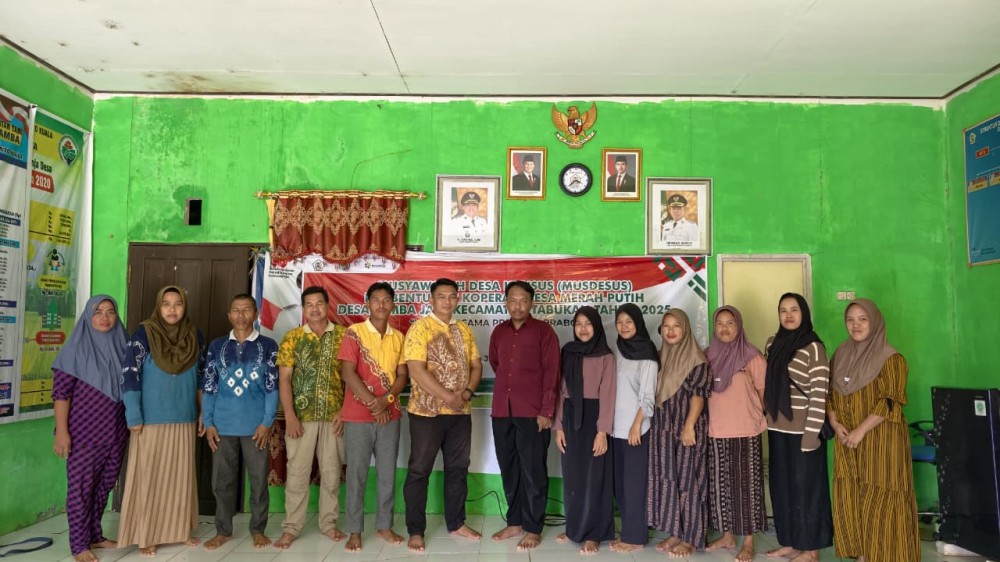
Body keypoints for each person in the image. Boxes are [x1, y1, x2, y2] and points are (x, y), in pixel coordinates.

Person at [828, 298, 920, 562]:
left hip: (881, 441)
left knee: (880, 496)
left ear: (875, 321)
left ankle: (884, 555)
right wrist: (834, 422)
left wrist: (860, 431)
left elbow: (890, 401)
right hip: (847, 441)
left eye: (862, 319)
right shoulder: (840, 354)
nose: (855, 325)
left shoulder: (891, 358)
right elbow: (829, 393)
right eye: (850, 320)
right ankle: (862, 554)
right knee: (851, 495)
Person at [118, 286, 202, 556]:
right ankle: (147, 534)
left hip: (184, 416)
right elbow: (129, 374)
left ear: (184, 306)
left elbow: (201, 378)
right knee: (150, 477)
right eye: (166, 303)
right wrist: (133, 414)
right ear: (159, 306)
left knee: (180, 477)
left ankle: (180, 530)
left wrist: (204, 412)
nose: (172, 309)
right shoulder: (144, 334)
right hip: (151, 418)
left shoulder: (194, 334)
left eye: (178, 304)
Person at [402, 278, 483, 552]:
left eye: (452, 296)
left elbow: (476, 366)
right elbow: (416, 369)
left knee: (458, 469)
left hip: (460, 413)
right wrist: (449, 397)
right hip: (427, 414)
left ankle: (457, 523)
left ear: (458, 299)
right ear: (431, 300)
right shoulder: (420, 328)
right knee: (419, 471)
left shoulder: (464, 329)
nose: (447, 301)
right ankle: (416, 530)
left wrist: (467, 393)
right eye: (441, 296)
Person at [51, 295, 129, 562]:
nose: (105, 317)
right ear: (88, 316)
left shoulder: (124, 346)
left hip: (116, 432)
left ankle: (95, 535)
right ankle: (79, 545)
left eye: (110, 312)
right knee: (81, 489)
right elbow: (61, 395)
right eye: (98, 312)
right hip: (84, 433)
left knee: (104, 486)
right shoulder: (74, 349)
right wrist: (62, 432)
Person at [201, 294, 279, 551]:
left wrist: (266, 422)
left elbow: (272, 388)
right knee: (221, 482)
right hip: (222, 427)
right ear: (229, 315)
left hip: (256, 428)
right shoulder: (217, 346)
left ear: (256, 314)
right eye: (236, 310)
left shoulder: (268, 346)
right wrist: (209, 423)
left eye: (247, 309)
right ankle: (223, 531)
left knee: (258, 481)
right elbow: (210, 386)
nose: (241, 315)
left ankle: (258, 530)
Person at [488, 281, 560, 552]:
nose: (517, 305)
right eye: (513, 300)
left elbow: (552, 372)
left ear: (531, 303)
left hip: (532, 413)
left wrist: (546, 411)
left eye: (523, 300)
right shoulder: (499, 332)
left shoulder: (544, 332)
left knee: (533, 472)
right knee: (509, 469)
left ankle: (533, 527)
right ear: (506, 302)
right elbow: (496, 363)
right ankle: (515, 522)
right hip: (502, 411)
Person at [273, 286, 347, 549]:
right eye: (309, 304)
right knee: (297, 474)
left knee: (331, 473)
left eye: (319, 303)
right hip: (300, 419)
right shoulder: (293, 338)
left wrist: (345, 412)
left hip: (334, 417)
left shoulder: (344, 336)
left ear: (328, 306)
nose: (315, 309)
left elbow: (351, 377)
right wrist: (290, 416)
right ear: (304, 309)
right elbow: (284, 379)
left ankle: (329, 523)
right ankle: (291, 527)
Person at [339, 282, 409, 552]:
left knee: (387, 473)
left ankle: (384, 526)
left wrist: (386, 401)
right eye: (376, 299)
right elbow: (348, 373)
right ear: (367, 303)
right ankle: (354, 531)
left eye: (386, 300)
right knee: (356, 474)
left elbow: (402, 376)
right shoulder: (354, 333)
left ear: (393, 304)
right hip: (358, 416)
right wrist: (374, 404)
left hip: (390, 415)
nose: (381, 304)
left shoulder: (399, 337)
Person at [763, 293, 833, 562]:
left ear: (804, 313)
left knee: (808, 491)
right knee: (782, 489)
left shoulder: (813, 347)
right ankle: (791, 542)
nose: (788, 315)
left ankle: (811, 549)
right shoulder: (773, 343)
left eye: (794, 310)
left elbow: (819, 393)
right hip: (777, 429)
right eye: (783, 310)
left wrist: (811, 435)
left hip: (805, 432)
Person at [703, 306, 767, 562]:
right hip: (717, 430)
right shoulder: (707, 356)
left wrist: (755, 415)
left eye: (730, 323)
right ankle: (728, 536)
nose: (725, 328)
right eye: (720, 323)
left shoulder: (752, 356)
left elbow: (763, 392)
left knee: (747, 487)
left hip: (746, 430)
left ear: (739, 326)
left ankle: (748, 541)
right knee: (721, 487)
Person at [646, 308, 711, 558]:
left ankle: (691, 537)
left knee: (689, 481)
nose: (671, 331)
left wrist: (689, 425)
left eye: (676, 326)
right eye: (666, 326)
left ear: (685, 329)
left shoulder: (696, 359)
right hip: (663, 429)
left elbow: (698, 397)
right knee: (668, 479)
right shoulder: (659, 357)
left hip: (686, 428)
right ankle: (675, 531)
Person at [554, 306, 616, 555]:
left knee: (594, 477)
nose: (583, 328)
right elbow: (560, 390)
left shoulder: (606, 356)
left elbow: (608, 395)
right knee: (573, 477)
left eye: (588, 323)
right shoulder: (568, 352)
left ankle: (593, 533)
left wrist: (602, 432)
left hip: (593, 419)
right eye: (578, 323)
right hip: (570, 418)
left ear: (597, 326)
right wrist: (559, 426)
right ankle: (574, 528)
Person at [608, 304, 657, 553]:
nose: (624, 326)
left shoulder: (647, 353)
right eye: (620, 322)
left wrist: (637, 425)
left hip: (636, 430)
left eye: (629, 321)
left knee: (635, 485)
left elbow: (647, 396)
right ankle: (627, 531)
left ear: (638, 323)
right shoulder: (616, 349)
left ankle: (636, 537)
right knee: (620, 485)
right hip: (615, 430)